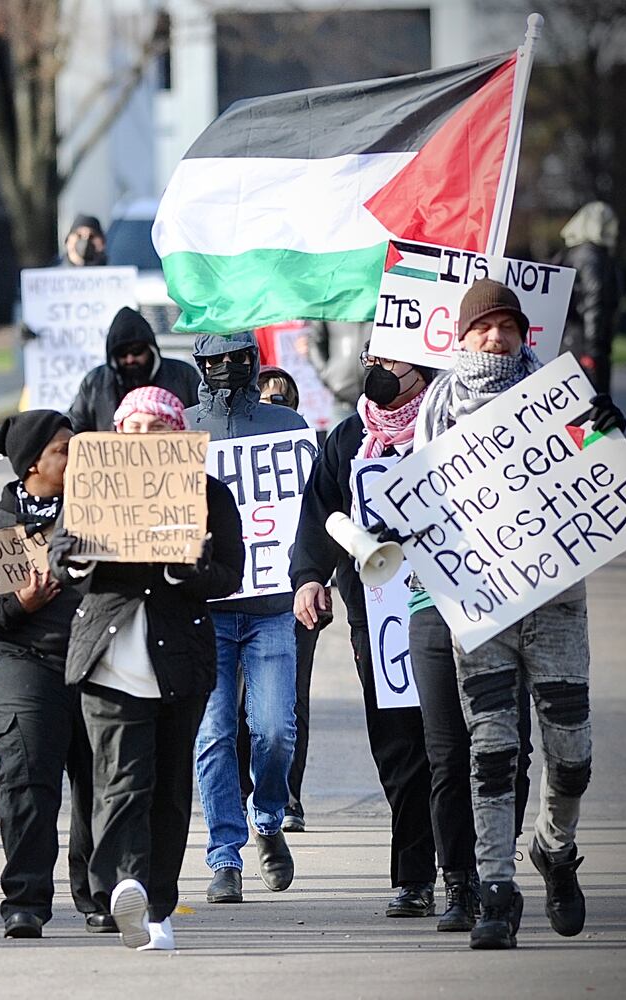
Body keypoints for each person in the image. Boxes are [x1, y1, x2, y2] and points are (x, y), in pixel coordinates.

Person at [413, 279, 624, 950]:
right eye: (484, 326)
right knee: (492, 751)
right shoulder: (436, 410)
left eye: (507, 326)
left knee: (571, 755)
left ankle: (554, 849)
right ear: (461, 336)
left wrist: (604, 431)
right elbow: (416, 500)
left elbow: (600, 476)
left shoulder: (559, 397)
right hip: (480, 609)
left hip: (554, 603)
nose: (496, 337)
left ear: (524, 334)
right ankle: (496, 893)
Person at [55, 386, 245, 951]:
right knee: (121, 781)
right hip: (109, 660)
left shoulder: (208, 494)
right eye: (133, 429)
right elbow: (61, 560)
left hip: (179, 663)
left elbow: (230, 574)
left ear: (177, 436)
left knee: (168, 787)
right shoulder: (92, 485)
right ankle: (124, 885)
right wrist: (85, 553)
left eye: (156, 430)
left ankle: (158, 907)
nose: (143, 440)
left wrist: (186, 569)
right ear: (118, 435)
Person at [289, 349, 441, 918]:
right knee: (399, 743)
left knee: (459, 744)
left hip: (459, 606)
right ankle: (414, 878)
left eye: (390, 360)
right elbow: (320, 511)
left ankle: (470, 871)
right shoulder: (351, 438)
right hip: (378, 615)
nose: (376, 369)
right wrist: (309, 578)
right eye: (370, 357)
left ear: (421, 367)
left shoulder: (454, 424)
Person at [0, 409, 100, 938]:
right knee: (26, 783)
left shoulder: (104, 516)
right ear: (33, 462)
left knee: (103, 786)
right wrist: (20, 604)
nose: (76, 457)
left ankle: (101, 894)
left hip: (99, 665)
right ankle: (26, 902)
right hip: (24, 665)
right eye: (64, 450)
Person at [184, 331, 309, 903]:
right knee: (213, 734)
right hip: (205, 610)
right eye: (217, 360)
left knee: (275, 729)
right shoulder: (181, 433)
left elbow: (311, 508)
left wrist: (314, 575)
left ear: (256, 361)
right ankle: (225, 855)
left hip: (271, 605)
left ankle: (268, 817)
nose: (228, 367)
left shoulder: (287, 427)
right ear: (199, 365)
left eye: (239, 358)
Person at [234, 367, 319, 832]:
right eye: (263, 398)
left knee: (287, 704)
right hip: (234, 599)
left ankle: (287, 796)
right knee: (236, 706)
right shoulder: (224, 451)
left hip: (291, 598)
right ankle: (242, 792)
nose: (272, 406)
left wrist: (318, 579)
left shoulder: (306, 457)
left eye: (282, 400)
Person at [66, 306, 201, 433]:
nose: (130, 359)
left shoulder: (182, 375)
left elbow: (201, 420)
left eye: (137, 351)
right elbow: (76, 428)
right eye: (122, 353)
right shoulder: (95, 382)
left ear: (150, 350)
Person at [555, 202, 622, 393]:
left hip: (573, 340)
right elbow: (594, 301)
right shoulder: (591, 256)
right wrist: (593, 349)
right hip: (584, 343)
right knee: (592, 400)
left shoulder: (575, 253)